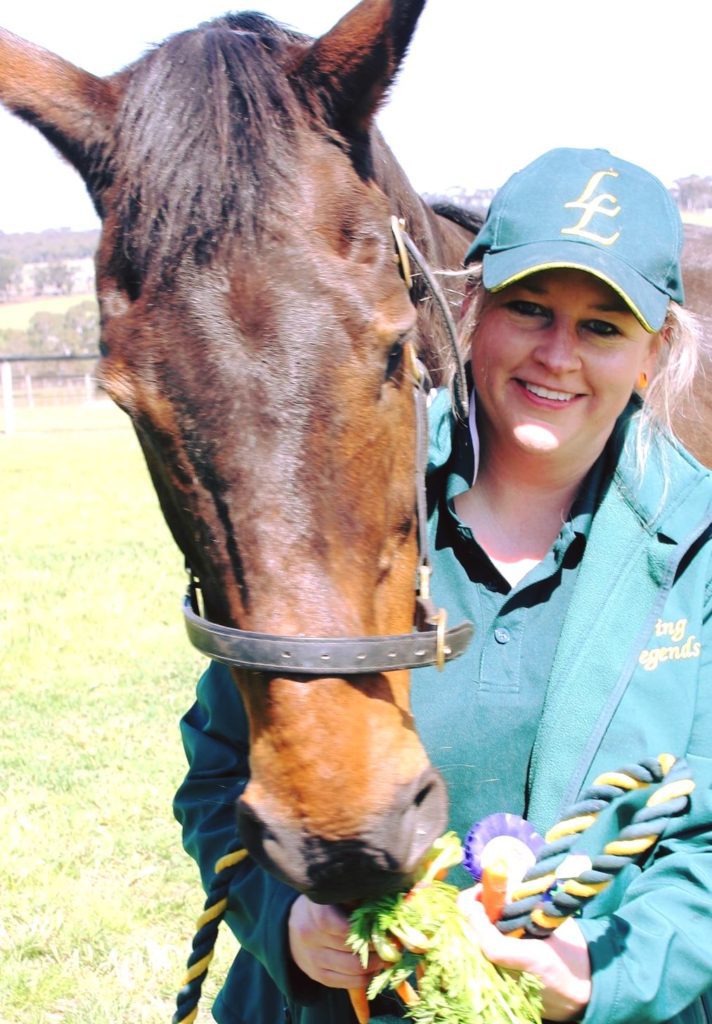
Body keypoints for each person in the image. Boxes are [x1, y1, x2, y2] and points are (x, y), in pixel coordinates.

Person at [174, 147, 712, 1024]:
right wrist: (288, 924)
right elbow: (221, 775)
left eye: (604, 327)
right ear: (471, 311)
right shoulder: (332, 506)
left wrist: (600, 978)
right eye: (529, 309)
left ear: (652, 355)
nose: (558, 355)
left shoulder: (699, 545)